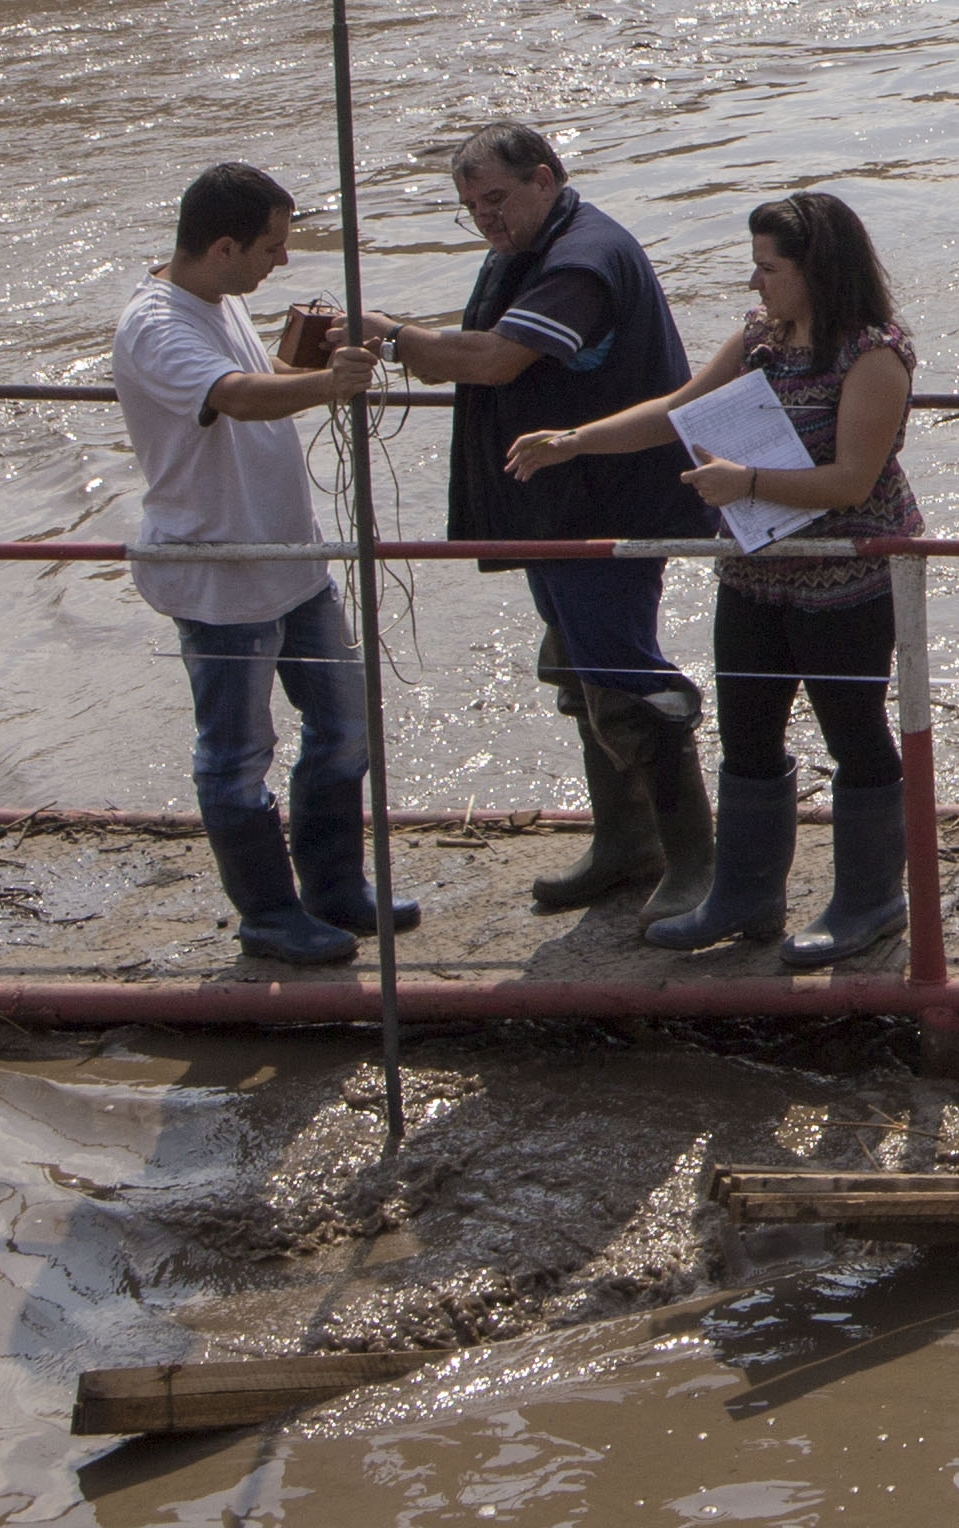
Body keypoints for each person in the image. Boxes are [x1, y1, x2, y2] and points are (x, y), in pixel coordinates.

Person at [514, 188, 925, 970]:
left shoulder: (873, 353)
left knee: (854, 734)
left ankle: (871, 901)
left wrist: (746, 483)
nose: (755, 284)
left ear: (818, 270)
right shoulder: (762, 337)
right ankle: (745, 894)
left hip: (847, 573)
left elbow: (850, 480)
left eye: (768, 268)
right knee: (746, 731)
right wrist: (575, 441)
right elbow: (677, 409)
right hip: (757, 569)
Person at [369, 122, 707, 924]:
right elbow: (479, 347)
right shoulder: (528, 246)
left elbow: (493, 360)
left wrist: (388, 338)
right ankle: (628, 844)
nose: (487, 217)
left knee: (625, 679)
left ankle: (696, 859)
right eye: (471, 207)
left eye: (497, 199)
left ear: (546, 180)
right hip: (554, 505)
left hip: (609, 503)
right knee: (575, 667)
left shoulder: (582, 260)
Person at [109, 161, 416, 966]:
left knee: (347, 726)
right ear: (221, 247)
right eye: (271, 248)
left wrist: (310, 363)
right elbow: (233, 395)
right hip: (222, 569)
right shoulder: (157, 324)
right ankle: (269, 916)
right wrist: (325, 384)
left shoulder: (218, 298)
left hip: (290, 558)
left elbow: (258, 376)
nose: (281, 261)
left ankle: (334, 888)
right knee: (237, 756)